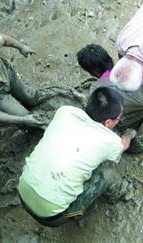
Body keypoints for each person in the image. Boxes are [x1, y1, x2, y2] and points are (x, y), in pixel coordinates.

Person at [18, 87, 136, 227]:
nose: (119, 120)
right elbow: (123, 145)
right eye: (119, 118)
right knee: (108, 174)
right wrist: (129, 134)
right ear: (108, 122)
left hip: (22, 190)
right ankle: (113, 196)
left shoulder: (65, 111)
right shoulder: (112, 142)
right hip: (50, 216)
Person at [77, 43, 143, 153]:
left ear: (93, 72)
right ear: (109, 58)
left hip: (129, 122)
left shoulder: (96, 89)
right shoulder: (129, 65)